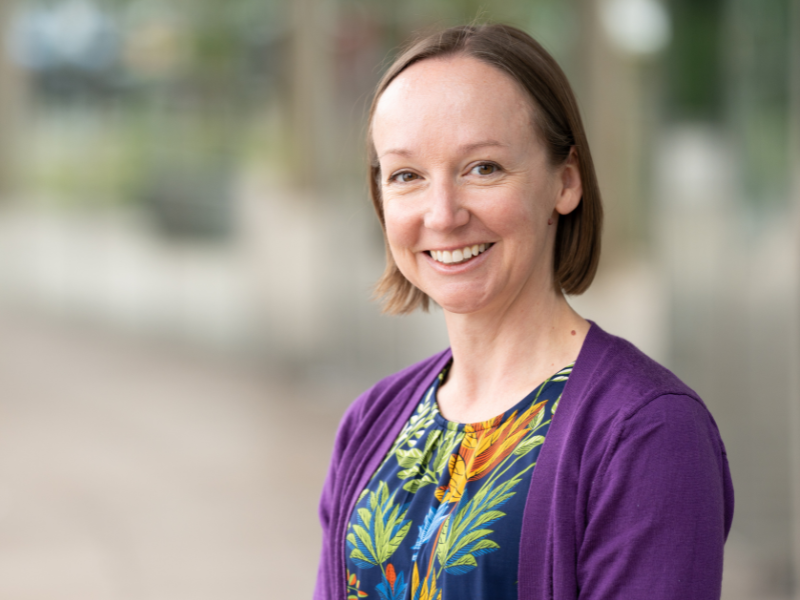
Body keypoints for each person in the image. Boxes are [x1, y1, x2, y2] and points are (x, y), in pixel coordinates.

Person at [314, 23, 733, 600]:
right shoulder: (371, 424)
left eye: (482, 167)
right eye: (407, 176)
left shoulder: (646, 433)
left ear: (565, 182)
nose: (442, 213)